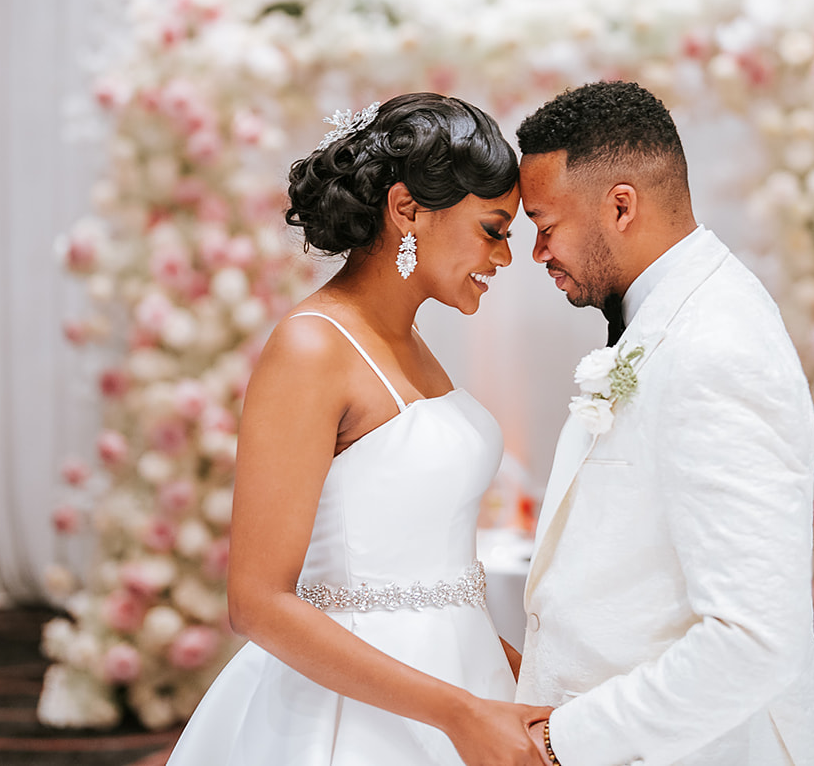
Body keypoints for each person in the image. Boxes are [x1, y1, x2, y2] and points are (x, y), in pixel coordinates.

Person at [166, 93, 551, 766]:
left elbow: (435, 581)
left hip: (461, 684)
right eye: (494, 229)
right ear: (407, 210)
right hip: (354, 717)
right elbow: (257, 603)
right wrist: (459, 714)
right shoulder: (311, 349)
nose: (505, 257)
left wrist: (526, 681)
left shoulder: (412, 343)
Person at [513, 82, 814, 766]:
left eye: (545, 227)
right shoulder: (669, 317)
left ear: (621, 204)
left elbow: (753, 640)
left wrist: (560, 740)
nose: (537, 253)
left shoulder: (716, 345)